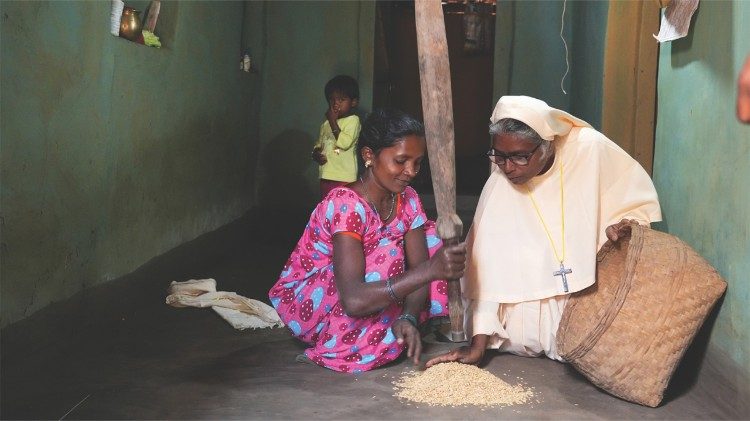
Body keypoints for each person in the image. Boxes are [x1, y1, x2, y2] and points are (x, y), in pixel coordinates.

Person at [426, 95, 662, 367]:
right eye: (499, 156)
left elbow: (634, 202)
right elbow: (486, 272)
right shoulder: (500, 184)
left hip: (585, 293)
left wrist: (625, 224)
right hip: (521, 327)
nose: (508, 168)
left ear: (547, 146)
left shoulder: (589, 149)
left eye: (520, 157)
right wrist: (477, 346)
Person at [270, 108, 467, 373]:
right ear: (368, 156)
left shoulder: (407, 198)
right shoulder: (346, 204)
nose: (410, 171)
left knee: (435, 241)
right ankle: (340, 338)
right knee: (386, 255)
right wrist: (430, 271)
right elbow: (353, 299)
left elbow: (421, 266)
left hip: (370, 289)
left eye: (417, 162)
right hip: (316, 299)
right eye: (400, 161)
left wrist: (408, 316)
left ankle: (398, 323)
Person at [312, 75, 362, 198]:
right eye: (331, 99)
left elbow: (344, 144)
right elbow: (319, 145)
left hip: (344, 177)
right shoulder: (325, 125)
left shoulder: (353, 121)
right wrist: (316, 154)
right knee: (327, 207)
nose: (335, 104)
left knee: (343, 208)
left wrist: (332, 120)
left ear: (353, 102)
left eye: (341, 99)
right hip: (326, 175)